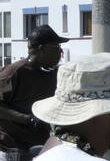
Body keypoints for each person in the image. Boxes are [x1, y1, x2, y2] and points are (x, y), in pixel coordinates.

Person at [0, 23, 67, 153]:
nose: (60, 52)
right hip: (7, 148)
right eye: (57, 47)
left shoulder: (55, 73)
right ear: (41, 49)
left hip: (38, 148)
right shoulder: (14, 72)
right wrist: (28, 119)